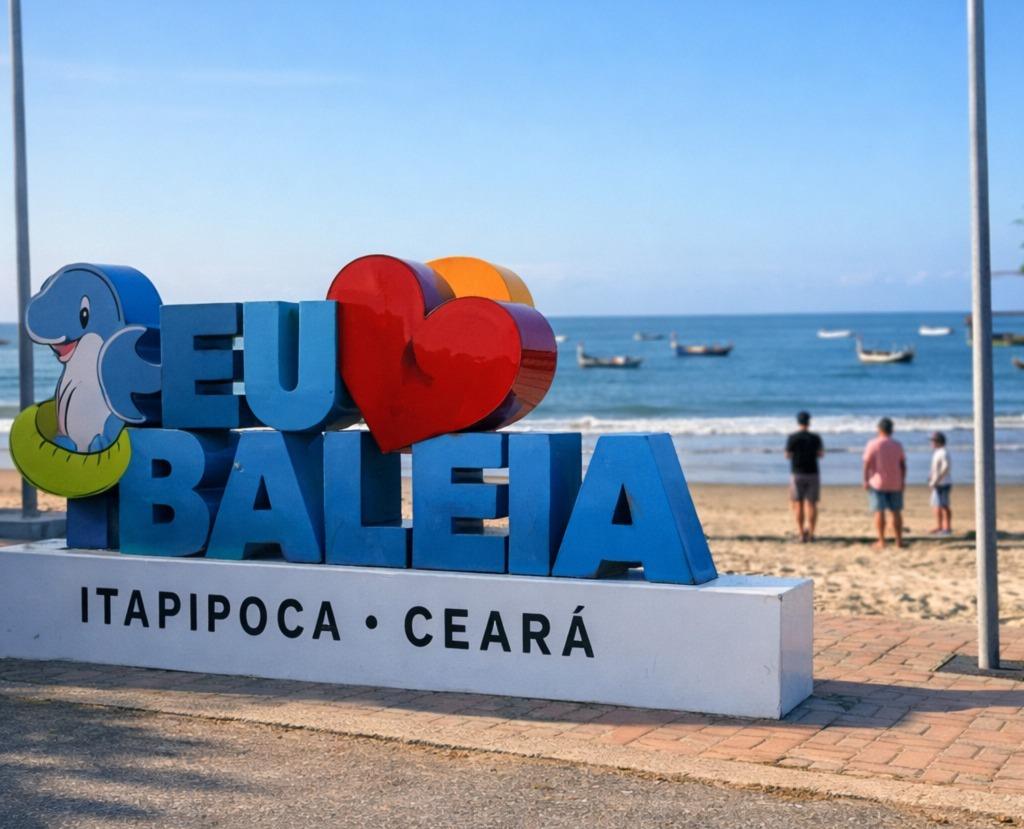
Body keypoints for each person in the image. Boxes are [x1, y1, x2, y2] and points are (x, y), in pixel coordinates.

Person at [862, 417, 907, 549]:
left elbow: (866, 464)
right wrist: (903, 481)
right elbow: (903, 465)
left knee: (879, 511)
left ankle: (882, 541)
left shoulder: (873, 444)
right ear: (891, 430)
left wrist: (865, 480)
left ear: (879, 429)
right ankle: (898, 541)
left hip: (878, 482)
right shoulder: (897, 444)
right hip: (895, 482)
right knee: (896, 512)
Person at [785, 411, 824, 542]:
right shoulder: (815, 437)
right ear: (809, 422)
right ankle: (812, 533)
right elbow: (820, 454)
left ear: (798, 422)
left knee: (798, 504)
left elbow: (787, 455)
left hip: (797, 472)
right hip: (812, 472)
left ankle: (801, 533)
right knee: (811, 504)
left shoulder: (792, 437)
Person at [928, 431, 952, 536]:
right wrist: (931, 477)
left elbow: (946, 467)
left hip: (943, 483)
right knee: (937, 505)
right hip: (938, 483)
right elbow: (936, 468)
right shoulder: (938, 452)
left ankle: (947, 528)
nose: (931, 443)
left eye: (933, 441)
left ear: (938, 441)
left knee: (943, 506)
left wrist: (937, 479)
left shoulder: (943, 452)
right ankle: (940, 526)